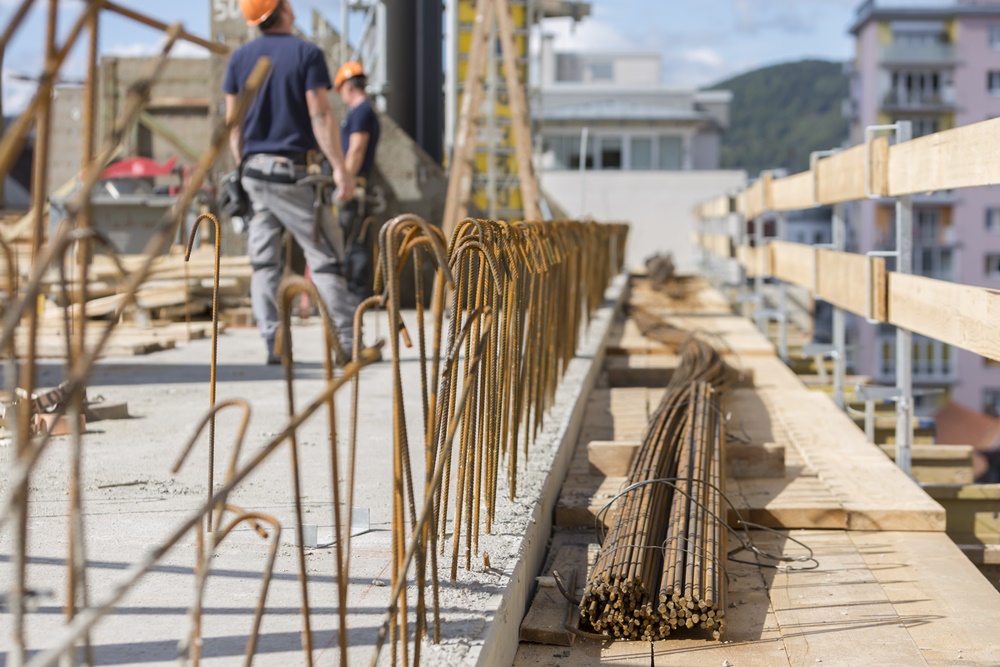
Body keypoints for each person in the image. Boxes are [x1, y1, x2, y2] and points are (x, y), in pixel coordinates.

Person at [224, 0, 358, 364]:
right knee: (325, 257)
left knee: (264, 264)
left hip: (254, 173)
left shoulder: (239, 59)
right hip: (292, 175)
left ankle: (275, 345)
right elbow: (320, 113)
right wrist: (340, 168)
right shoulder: (306, 54)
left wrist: (243, 168)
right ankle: (346, 345)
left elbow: (233, 124)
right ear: (282, 9)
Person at [334, 61, 381, 299]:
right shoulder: (362, 111)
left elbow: (356, 150)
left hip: (355, 186)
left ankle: (355, 297)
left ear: (347, 87)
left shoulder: (361, 112)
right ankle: (354, 296)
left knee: (355, 241)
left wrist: (346, 181)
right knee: (355, 240)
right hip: (357, 184)